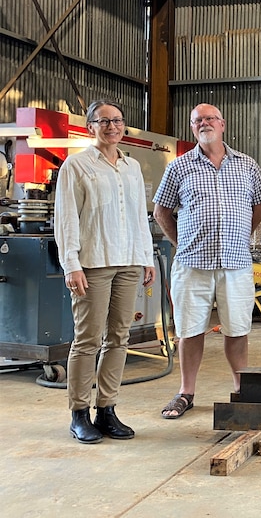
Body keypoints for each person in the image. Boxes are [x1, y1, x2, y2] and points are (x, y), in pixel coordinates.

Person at [153, 103, 261, 419]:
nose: (204, 123)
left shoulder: (246, 165)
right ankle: (186, 392)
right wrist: (182, 244)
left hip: (236, 263)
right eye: (197, 120)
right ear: (192, 128)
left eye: (209, 118)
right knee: (189, 330)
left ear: (222, 124)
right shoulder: (178, 168)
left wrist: (240, 233)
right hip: (192, 265)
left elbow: (260, 205)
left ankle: (241, 389)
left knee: (237, 329)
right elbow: (161, 211)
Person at [55, 100, 156, 444]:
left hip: (128, 261)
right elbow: (67, 218)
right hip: (93, 263)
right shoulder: (77, 165)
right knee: (87, 340)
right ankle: (79, 413)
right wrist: (71, 264)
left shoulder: (131, 166)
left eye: (117, 121)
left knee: (119, 337)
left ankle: (107, 409)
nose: (112, 126)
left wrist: (147, 258)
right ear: (90, 126)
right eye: (104, 121)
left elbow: (139, 216)